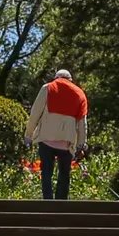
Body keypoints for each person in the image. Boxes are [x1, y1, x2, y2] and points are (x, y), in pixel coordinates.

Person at [26, 69, 88, 200]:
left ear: (56, 78)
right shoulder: (80, 94)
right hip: (66, 143)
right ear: (70, 79)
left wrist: (28, 134)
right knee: (64, 175)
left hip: (46, 139)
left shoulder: (48, 88)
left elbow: (35, 113)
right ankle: (61, 206)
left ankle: (47, 203)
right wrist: (81, 144)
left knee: (46, 172)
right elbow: (82, 123)